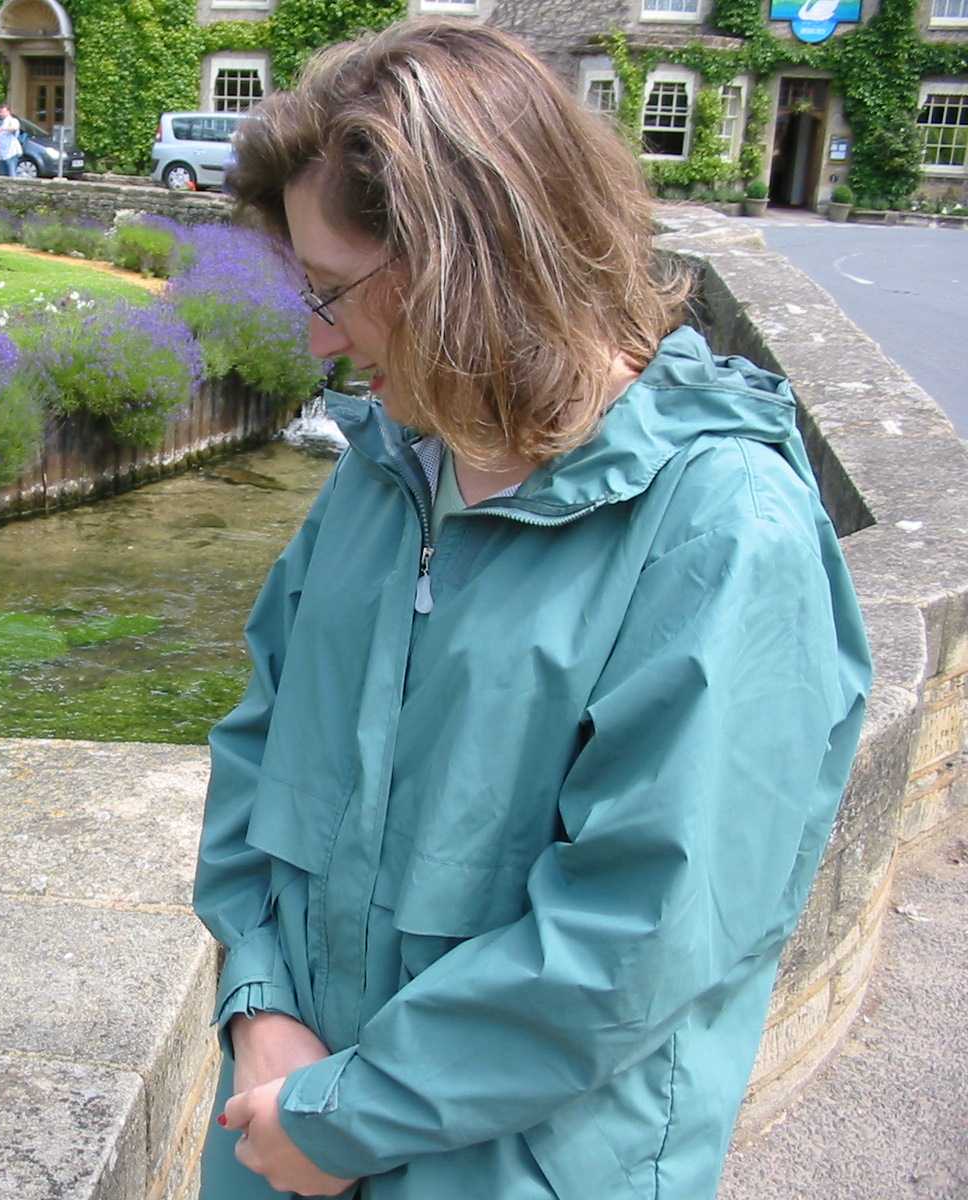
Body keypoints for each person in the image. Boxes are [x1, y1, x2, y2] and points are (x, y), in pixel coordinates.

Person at [194, 18, 871, 1200]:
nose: (316, 339)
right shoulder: (388, 462)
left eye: (335, 291)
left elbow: (636, 937)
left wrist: (342, 1117)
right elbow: (257, 746)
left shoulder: (720, 529)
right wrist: (259, 1009)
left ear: (470, 264)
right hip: (282, 1132)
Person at [0, 104, 24, 178]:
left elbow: (14, 128)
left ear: (8, 112)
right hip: (2, 154)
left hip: (11, 153)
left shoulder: (13, 121)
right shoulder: (2, 123)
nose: (0, 114)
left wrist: (4, 129)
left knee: (12, 175)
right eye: (0, 112)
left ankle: (13, 189)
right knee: (2, 176)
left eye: (2, 112)